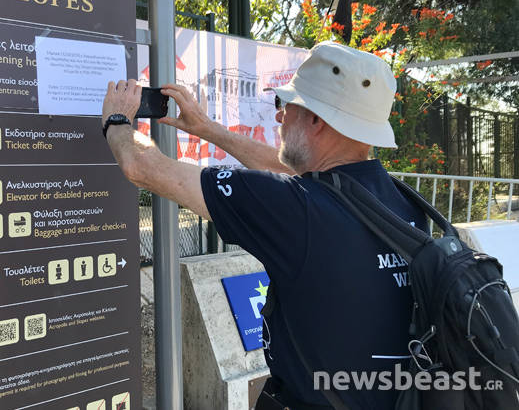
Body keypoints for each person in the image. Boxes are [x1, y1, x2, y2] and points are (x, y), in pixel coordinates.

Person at [101, 41, 428, 409]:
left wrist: (116, 120)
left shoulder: (296, 210)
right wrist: (207, 129)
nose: (278, 118)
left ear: (316, 120)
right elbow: (294, 173)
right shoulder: (403, 203)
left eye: (284, 106)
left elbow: (144, 169)